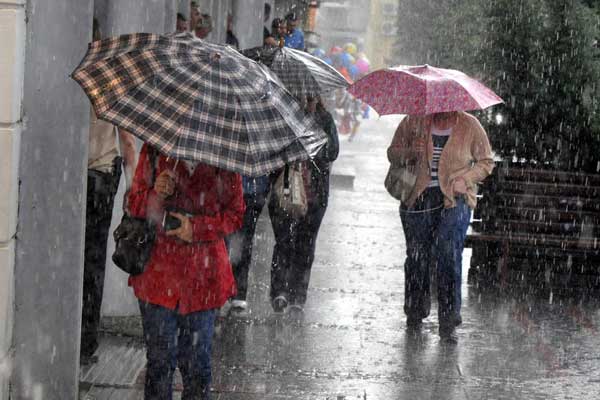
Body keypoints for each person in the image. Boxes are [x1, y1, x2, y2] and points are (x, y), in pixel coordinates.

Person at [127, 144, 245, 399]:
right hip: (159, 276)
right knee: (159, 364)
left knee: (197, 368)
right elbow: (134, 202)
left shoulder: (224, 153)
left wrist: (196, 228)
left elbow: (235, 214)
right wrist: (155, 194)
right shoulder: (156, 147)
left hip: (204, 280)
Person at [387, 111, 494, 344]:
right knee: (417, 255)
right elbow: (392, 154)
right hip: (418, 197)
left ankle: (448, 320)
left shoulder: (470, 125)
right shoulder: (413, 121)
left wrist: (465, 179)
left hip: (455, 200)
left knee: (448, 252)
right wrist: (410, 152)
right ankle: (415, 312)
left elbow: (486, 162)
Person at [80, 18, 137, 366]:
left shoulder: (69, 76)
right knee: (93, 259)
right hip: (102, 176)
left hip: (73, 178)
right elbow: (127, 139)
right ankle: (86, 341)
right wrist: (132, 184)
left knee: (72, 257)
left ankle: (72, 333)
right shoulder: (110, 78)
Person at [268, 96, 339, 314]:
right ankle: (279, 291)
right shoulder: (285, 116)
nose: (307, 102)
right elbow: (272, 150)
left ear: (318, 98)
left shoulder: (325, 120)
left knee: (306, 245)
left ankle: (298, 293)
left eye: (311, 97)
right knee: (284, 241)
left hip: (314, 193)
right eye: (304, 96)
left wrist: (312, 146)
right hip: (287, 189)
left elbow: (333, 152)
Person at [226, 174, 271, 315]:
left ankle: (237, 289)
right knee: (237, 241)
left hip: (250, 192)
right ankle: (233, 288)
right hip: (246, 190)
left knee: (242, 241)